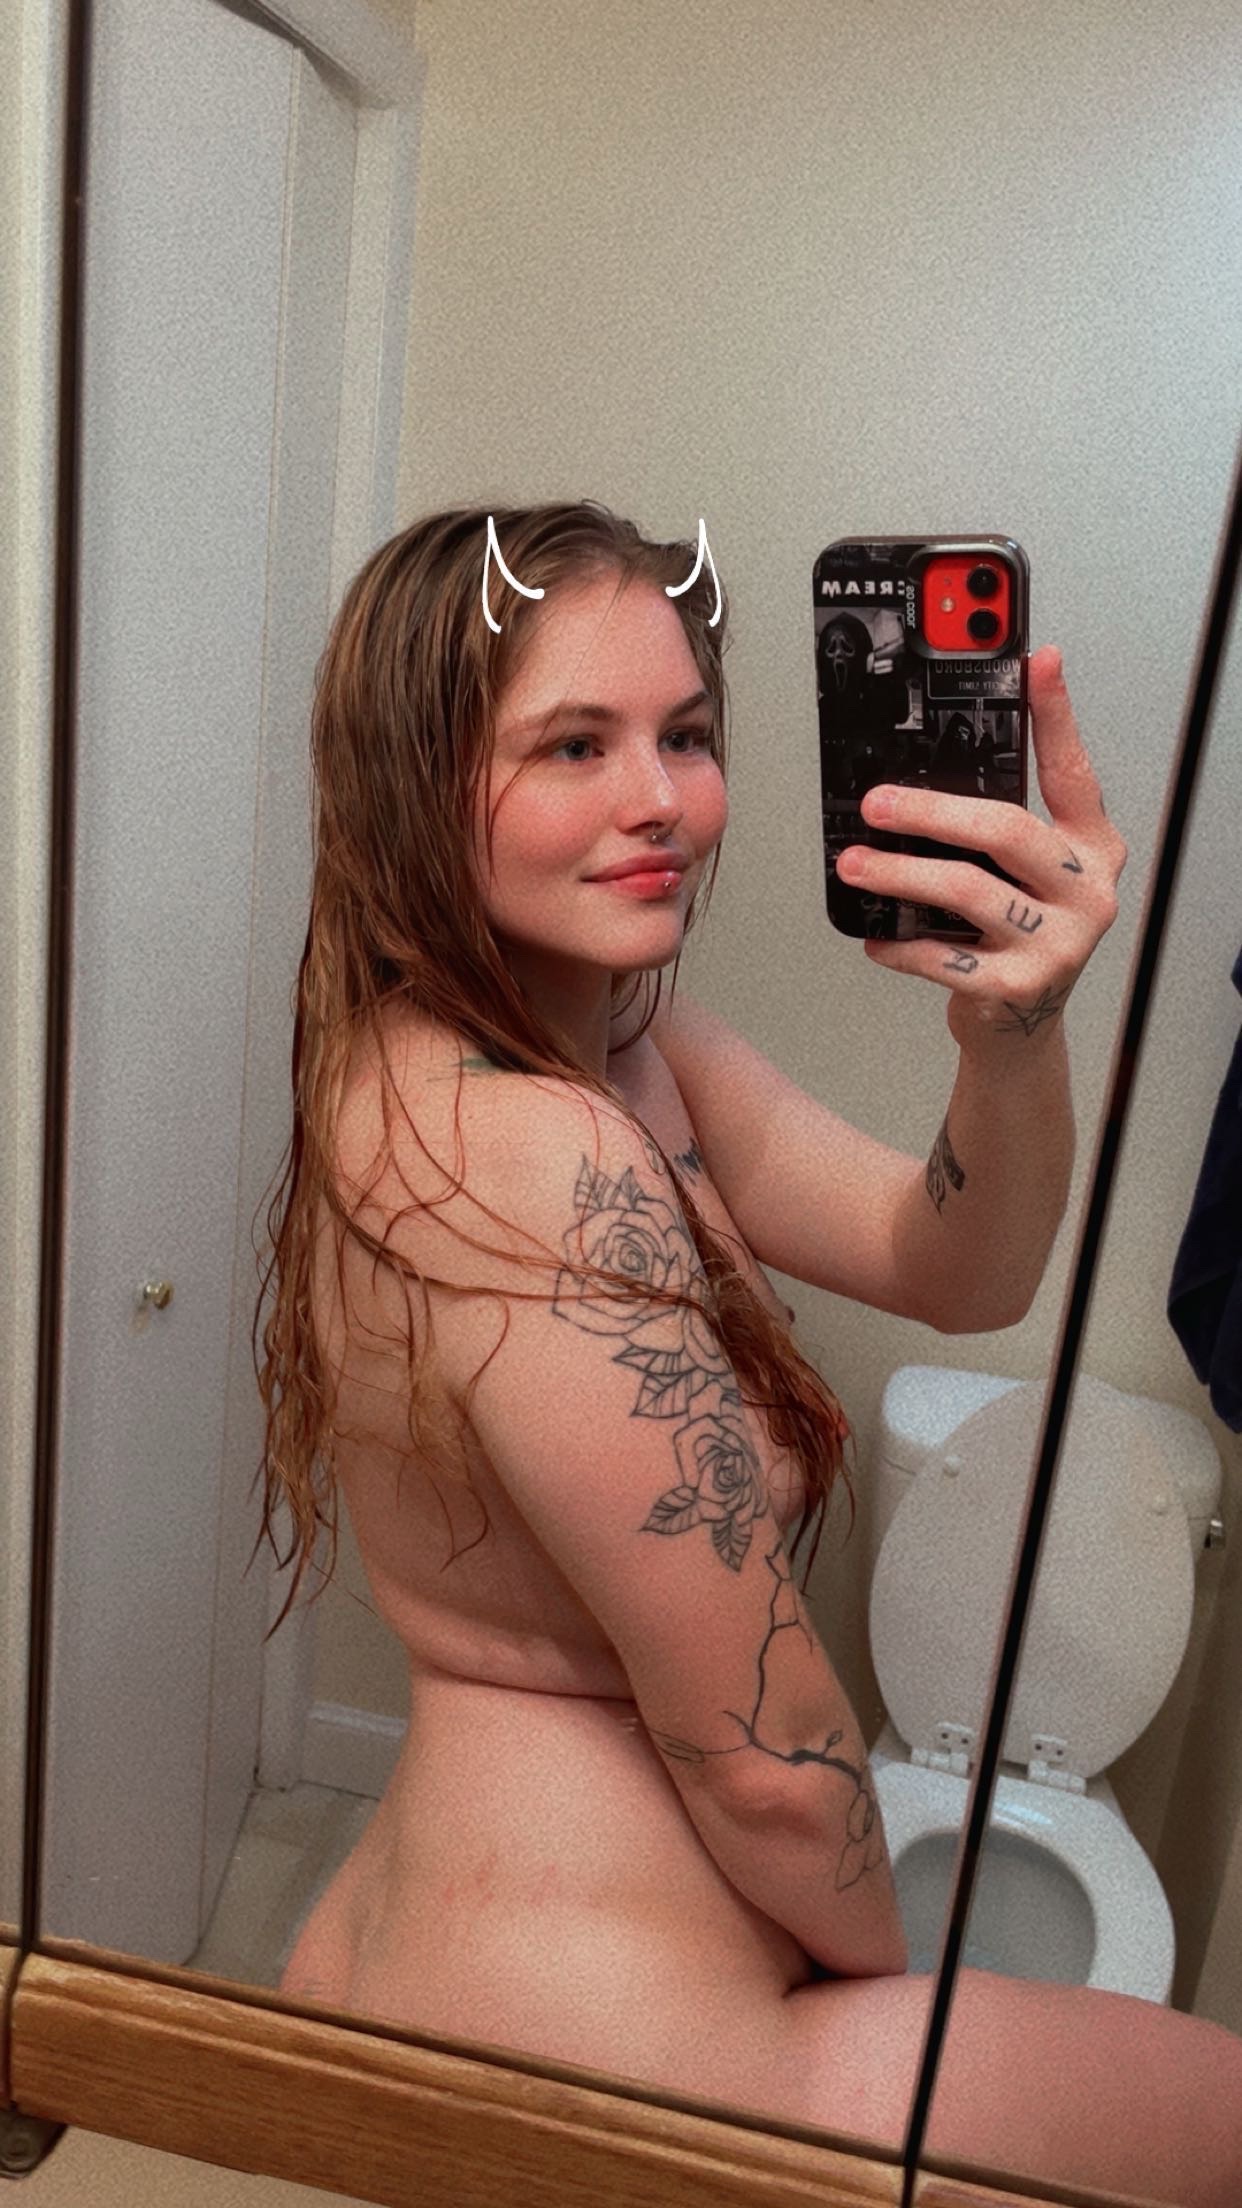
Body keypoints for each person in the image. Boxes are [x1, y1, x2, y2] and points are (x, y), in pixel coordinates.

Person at [256, 501, 1242, 2203]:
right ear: (413, 779)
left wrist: (1010, 1029)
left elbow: (956, 1268)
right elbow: (769, 1769)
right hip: (614, 2030)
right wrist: (873, 1993)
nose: (661, 800)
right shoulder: (524, 1147)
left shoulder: (613, 1045)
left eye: (688, 735)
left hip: (470, 1917)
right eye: (576, 743)